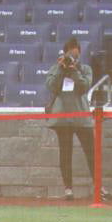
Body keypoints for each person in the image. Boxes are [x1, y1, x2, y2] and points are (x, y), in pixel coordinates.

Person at [44, 37, 103, 201]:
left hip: (81, 118)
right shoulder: (56, 68)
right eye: (70, 52)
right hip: (62, 118)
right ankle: (68, 189)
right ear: (65, 52)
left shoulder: (85, 69)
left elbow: (84, 86)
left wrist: (74, 69)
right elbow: (51, 86)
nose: (73, 57)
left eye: (75, 53)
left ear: (80, 52)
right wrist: (61, 69)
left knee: (91, 153)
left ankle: (98, 186)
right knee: (65, 154)